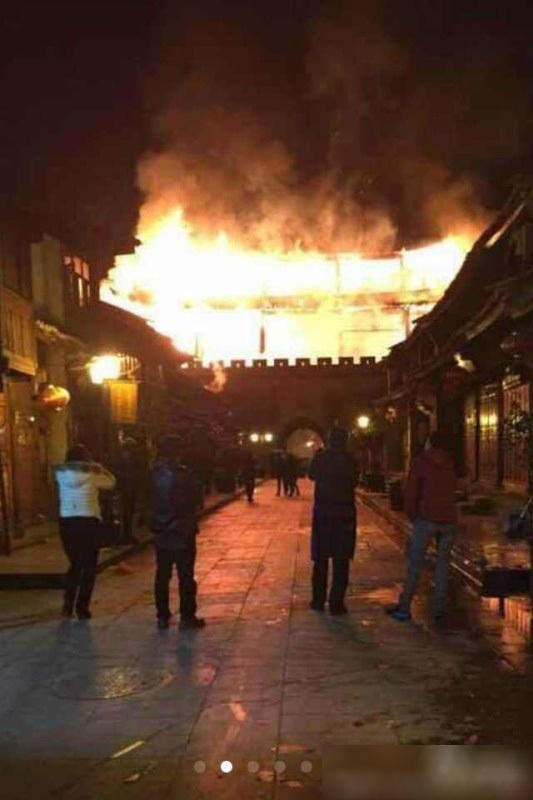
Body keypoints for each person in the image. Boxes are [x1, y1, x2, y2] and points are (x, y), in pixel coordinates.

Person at [386, 430, 457, 623]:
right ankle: (439, 608)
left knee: (415, 563)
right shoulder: (451, 463)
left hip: (426, 518)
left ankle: (405, 606)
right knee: (442, 566)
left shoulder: (421, 462)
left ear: (430, 443)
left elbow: (411, 493)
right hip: (448, 520)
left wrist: (412, 516)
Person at [149, 435, 205, 630]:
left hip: (161, 529)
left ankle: (162, 615)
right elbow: (197, 498)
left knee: (162, 574)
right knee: (185, 575)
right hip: (182, 529)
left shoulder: (153, 474)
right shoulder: (186, 474)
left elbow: (146, 499)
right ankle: (187, 615)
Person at [55, 444, 116, 620]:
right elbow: (111, 482)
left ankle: (67, 605)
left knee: (75, 564)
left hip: (67, 523)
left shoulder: (60, 475)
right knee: (89, 567)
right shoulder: (93, 476)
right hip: (89, 523)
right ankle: (82, 608)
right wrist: (100, 468)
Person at [308, 428, 359, 615]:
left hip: (323, 512)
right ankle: (337, 603)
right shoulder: (350, 460)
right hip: (344, 512)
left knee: (321, 558)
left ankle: (318, 600)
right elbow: (355, 481)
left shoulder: (321, 458)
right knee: (341, 560)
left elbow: (311, 475)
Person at [114, 437, 143, 542]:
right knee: (128, 512)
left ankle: (125, 535)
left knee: (126, 512)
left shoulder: (119, 458)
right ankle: (127, 534)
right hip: (128, 488)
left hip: (125, 488)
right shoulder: (133, 458)